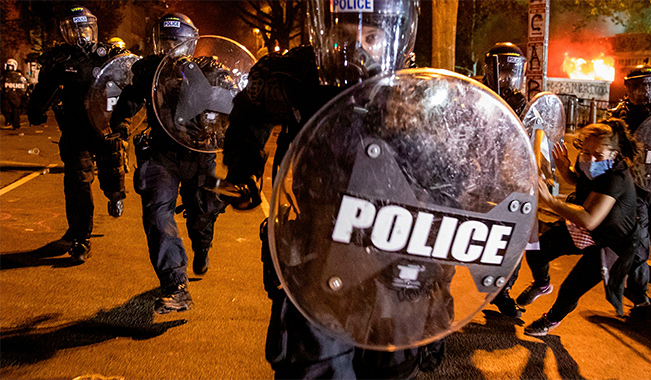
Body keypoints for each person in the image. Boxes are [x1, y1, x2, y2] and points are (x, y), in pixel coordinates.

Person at [223, 1, 444, 378]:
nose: (357, 48)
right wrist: (243, 168)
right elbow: (248, 112)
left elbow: (447, 190)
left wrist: (438, 292)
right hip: (317, 257)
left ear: (397, 37)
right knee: (315, 368)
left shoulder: (423, 94)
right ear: (324, 34)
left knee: (392, 369)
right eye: (344, 35)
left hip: (397, 262)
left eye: (372, 37)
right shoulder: (295, 77)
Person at [110, 13, 228, 314]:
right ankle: (175, 284)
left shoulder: (209, 69)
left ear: (191, 43)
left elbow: (230, 105)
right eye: (166, 42)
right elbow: (129, 101)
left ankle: (202, 248)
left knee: (202, 216)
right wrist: (120, 122)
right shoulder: (149, 69)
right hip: (162, 154)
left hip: (199, 155)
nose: (171, 48)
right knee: (157, 214)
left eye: (178, 43)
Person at [516, 119, 640, 336]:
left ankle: (550, 320)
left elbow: (589, 219)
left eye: (599, 155)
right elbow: (579, 180)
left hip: (610, 242)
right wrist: (565, 169)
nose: (590, 160)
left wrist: (551, 202)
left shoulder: (616, 178)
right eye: (585, 152)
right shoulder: (591, 161)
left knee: (571, 288)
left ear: (615, 153)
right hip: (585, 232)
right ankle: (542, 284)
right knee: (537, 251)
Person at [27, 5, 127, 263]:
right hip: (74, 129)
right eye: (76, 30)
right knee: (78, 183)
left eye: (85, 28)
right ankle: (81, 238)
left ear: (93, 28)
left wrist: (125, 120)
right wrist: (35, 110)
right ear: (67, 33)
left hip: (105, 126)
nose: (82, 35)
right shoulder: (60, 59)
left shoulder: (109, 54)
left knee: (112, 171)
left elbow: (129, 86)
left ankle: (115, 196)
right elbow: (44, 88)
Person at [607, 65, 651, 310]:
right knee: (640, 239)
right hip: (634, 186)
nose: (645, 92)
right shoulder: (620, 118)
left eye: (649, 86)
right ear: (629, 89)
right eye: (639, 87)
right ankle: (638, 292)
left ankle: (623, 276)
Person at [480, 42, 528, 318]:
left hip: (510, 179)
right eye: (502, 70)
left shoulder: (522, 102)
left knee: (513, 235)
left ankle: (502, 289)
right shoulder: (475, 94)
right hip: (478, 176)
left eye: (513, 71)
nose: (507, 77)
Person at [483, 42, 528, 116]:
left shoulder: (519, 102)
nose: (508, 79)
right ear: (490, 72)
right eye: (504, 72)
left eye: (512, 74)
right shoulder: (480, 99)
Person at [1, 59, 28, 130]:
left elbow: (24, 85)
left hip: (16, 96)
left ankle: (16, 124)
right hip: (6, 95)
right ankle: (9, 119)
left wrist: (23, 94)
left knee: (16, 111)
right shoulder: (3, 75)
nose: (10, 68)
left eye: (11, 66)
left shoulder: (19, 75)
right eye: (8, 66)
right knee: (5, 109)